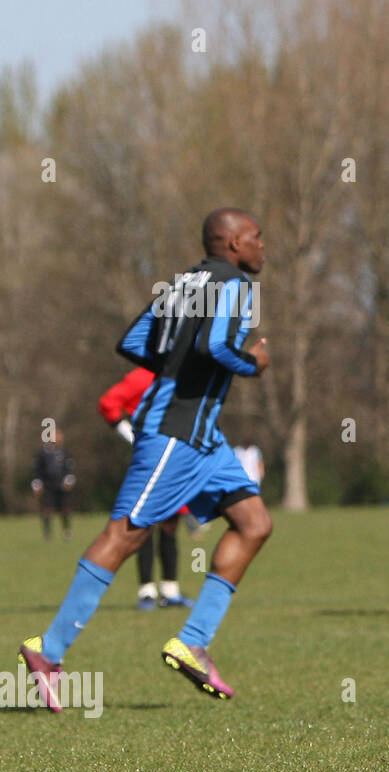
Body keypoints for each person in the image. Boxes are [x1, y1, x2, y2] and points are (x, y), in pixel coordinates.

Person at [18, 208, 273, 711]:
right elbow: (217, 345)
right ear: (232, 243)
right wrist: (255, 362)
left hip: (203, 439)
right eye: (256, 238)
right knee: (126, 534)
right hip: (174, 433)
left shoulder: (181, 284)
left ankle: (193, 642)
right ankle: (48, 651)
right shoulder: (235, 285)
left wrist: (175, 362)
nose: (263, 246)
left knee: (254, 523)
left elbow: (132, 342)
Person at [97, 367, 194, 610]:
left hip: (176, 461)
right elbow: (108, 403)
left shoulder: (183, 375)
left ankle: (170, 591)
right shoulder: (142, 376)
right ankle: (147, 592)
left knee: (171, 527)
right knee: (144, 528)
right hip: (150, 462)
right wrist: (132, 437)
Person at [32, 430, 76, 541]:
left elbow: (70, 468)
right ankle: (48, 534)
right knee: (47, 510)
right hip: (48, 486)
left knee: (65, 509)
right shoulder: (43, 453)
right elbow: (37, 470)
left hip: (62, 485)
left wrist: (69, 480)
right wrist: (37, 484)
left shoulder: (64, 452)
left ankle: (67, 531)